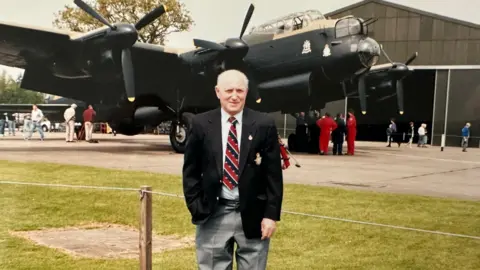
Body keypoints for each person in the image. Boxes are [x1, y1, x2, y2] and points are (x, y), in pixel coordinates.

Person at [182, 69, 283, 270]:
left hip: (253, 215)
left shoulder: (264, 124)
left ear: (247, 92)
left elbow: (273, 175)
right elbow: (190, 172)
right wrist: (196, 205)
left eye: (240, 90)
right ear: (218, 92)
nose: (234, 96)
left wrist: (271, 215)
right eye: (229, 90)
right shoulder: (200, 124)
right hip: (213, 214)